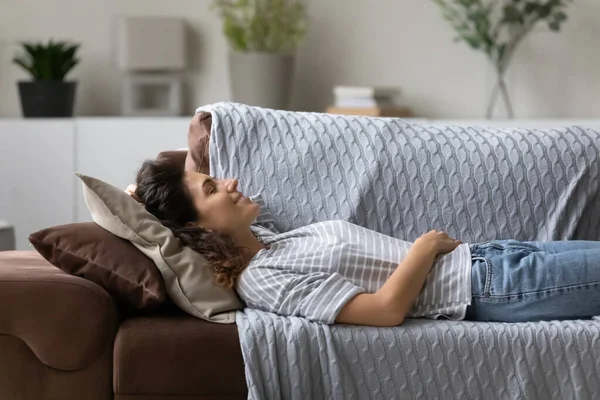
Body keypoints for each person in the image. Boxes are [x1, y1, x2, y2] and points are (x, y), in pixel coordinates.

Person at [127, 158, 600, 327]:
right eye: (211, 189)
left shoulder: (270, 244)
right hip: (490, 289)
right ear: (201, 230)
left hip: (496, 257)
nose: (229, 182)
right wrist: (424, 248)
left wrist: (138, 199)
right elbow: (383, 311)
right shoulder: (263, 282)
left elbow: (148, 209)